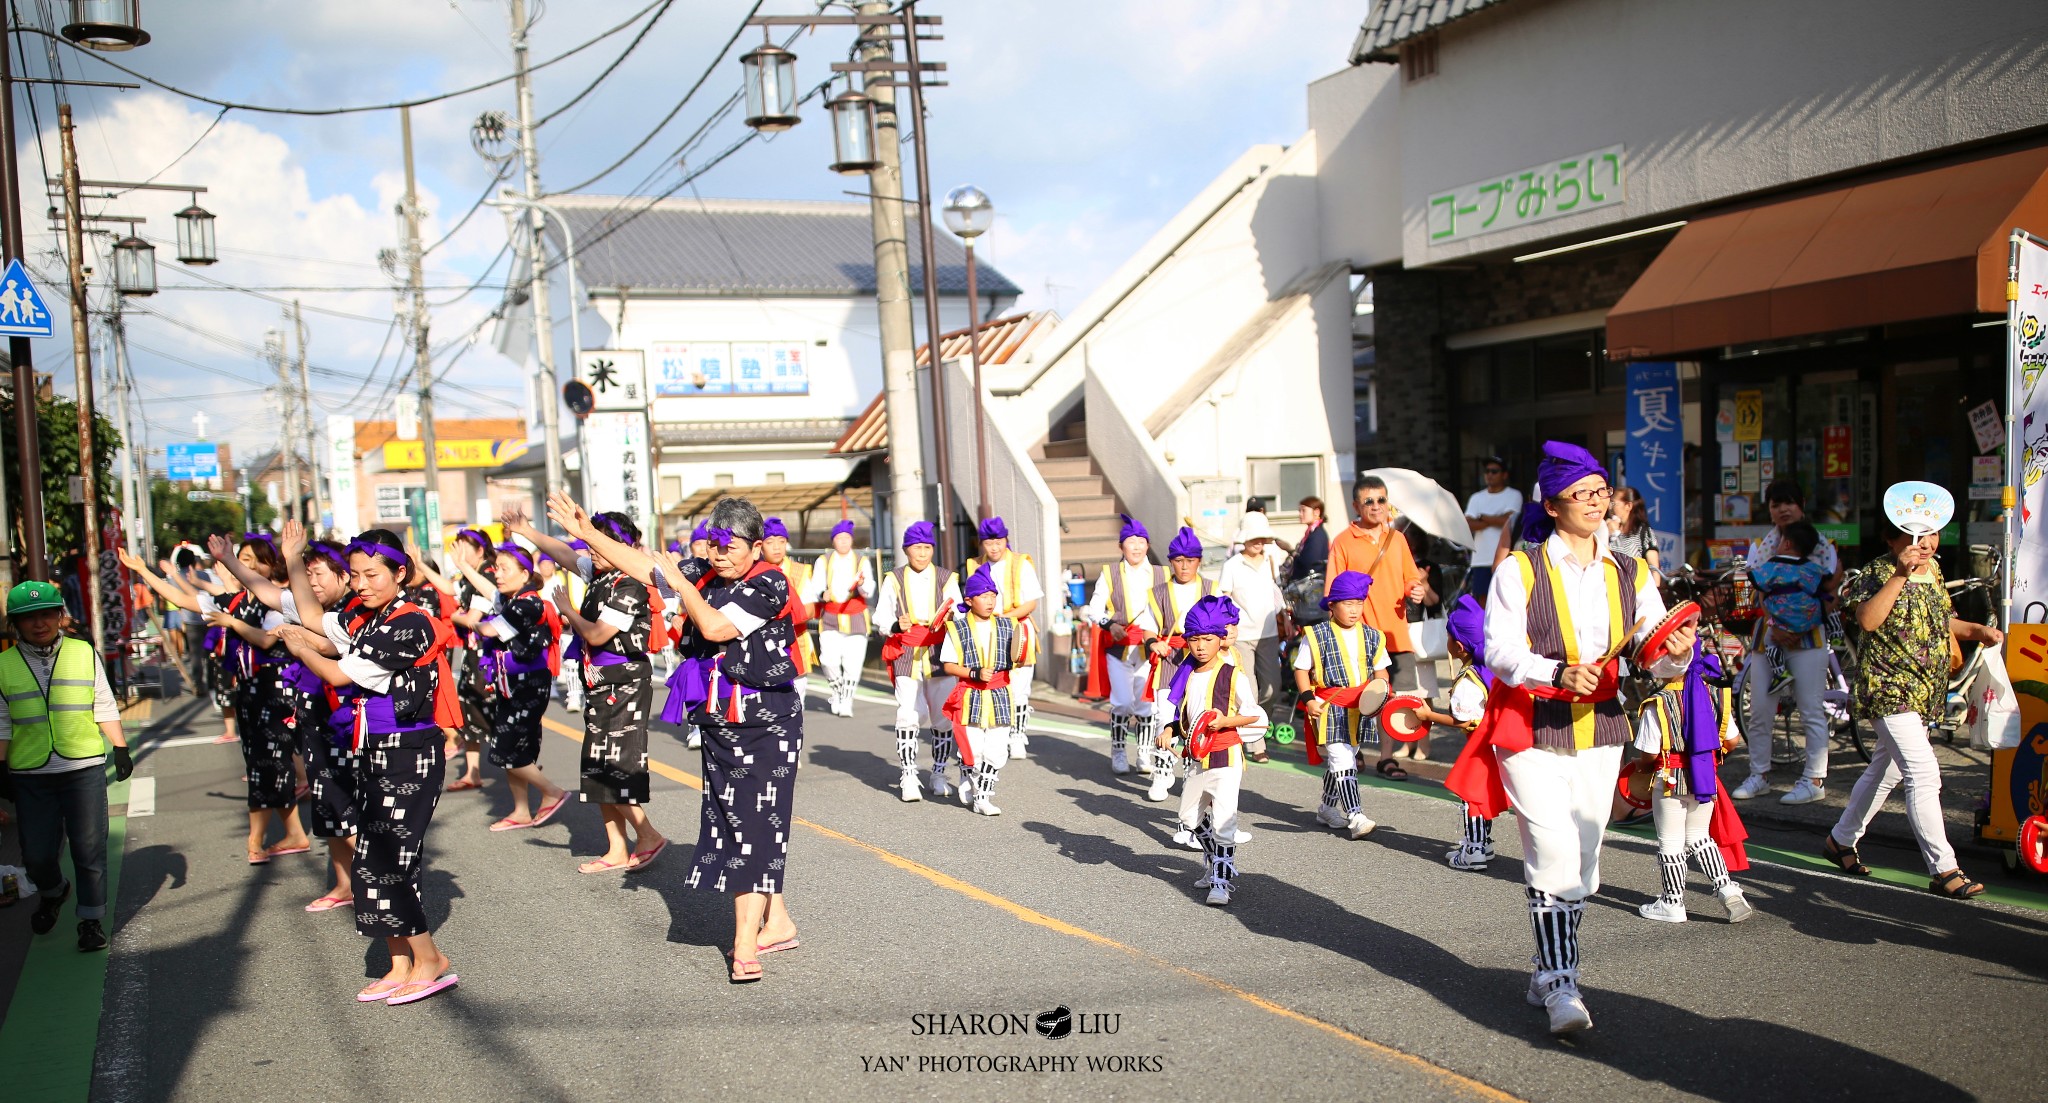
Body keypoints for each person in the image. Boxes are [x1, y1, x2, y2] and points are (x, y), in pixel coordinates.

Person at [1445, 440, 1693, 1035]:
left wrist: (1674, 658)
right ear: (1553, 505)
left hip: (1602, 726)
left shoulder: (1633, 572)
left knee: (1585, 859)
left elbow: (1651, 650)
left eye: (1601, 491)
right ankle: (1562, 983)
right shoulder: (1520, 567)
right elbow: (1499, 649)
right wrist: (1554, 671)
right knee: (1552, 850)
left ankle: (1546, 966)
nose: (1595, 501)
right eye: (1581, 493)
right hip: (1527, 725)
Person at [580, 495, 805, 982]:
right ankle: (779, 919)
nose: (720, 554)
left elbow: (715, 626)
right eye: (715, 545)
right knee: (739, 819)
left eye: (731, 546)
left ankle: (745, 942)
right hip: (720, 720)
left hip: (766, 723)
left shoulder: (769, 582)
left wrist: (683, 584)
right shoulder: (703, 571)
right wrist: (586, 532)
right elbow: (640, 565)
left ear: (758, 546)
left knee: (753, 822)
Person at [274, 530, 460, 1005]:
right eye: (354, 574)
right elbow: (314, 616)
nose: (360, 583)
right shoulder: (367, 618)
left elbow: (335, 672)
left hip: (409, 751)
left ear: (400, 573)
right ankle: (402, 963)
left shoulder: (411, 623)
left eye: (371, 574)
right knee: (376, 861)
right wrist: (294, 559)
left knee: (385, 860)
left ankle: (431, 959)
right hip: (376, 749)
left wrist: (300, 648)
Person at [1822, 513, 2000, 900]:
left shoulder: (1934, 570)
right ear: (1891, 539)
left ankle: (1840, 840)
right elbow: (1867, 620)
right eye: (1915, 535)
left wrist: (1978, 631)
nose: (1926, 542)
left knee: (1884, 772)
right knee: (1924, 773)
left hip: (1924, 692)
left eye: (1931, 533)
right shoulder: (1876, 571)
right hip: (1889, 689)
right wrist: (1899, 574)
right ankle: (1944, 868)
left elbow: (1943, 621)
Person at [506, 506, 669, 874]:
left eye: (599, 541)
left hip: (624, 683)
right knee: (595, 765)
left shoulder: (629, 583)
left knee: (615, 765)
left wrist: (568, 610)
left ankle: (648, 835)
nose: (590, 548)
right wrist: (526, 530)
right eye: (589, 540)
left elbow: (596, 634)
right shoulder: (598, 574)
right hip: (599, 681)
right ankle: (615, 847)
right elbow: (562, 553)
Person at [0, 580, 134, 952]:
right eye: (29, 618)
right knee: (36, 855)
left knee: (89, 849)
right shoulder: (3, 665)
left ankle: (90, 921)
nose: (39, 623)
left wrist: (120, 748)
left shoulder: (82, 652)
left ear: (60, 616)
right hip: (30, 773)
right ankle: (55, 891)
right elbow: (1, 720)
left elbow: (103, 703)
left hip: (83, 767)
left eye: (47, 614)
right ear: (15, 623)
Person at [1631, 640, 1754, 924]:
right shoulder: (1714, 695)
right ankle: (1726, 888)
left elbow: (1649, 753)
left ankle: (1673, 902)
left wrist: (1641, 766)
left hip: (1670, 779)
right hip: (1704, 776)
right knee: (1700, 836)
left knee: (1671, 840)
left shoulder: (1657, 703)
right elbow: (1733, 739)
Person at [1158, 595, 1267, 907]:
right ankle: (1212, 857)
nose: (1200, 646)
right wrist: (1168, 729)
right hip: (1195, 757)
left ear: (1221, 638)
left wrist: (1225, 721)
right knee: (1188, 816)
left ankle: (1222, 877)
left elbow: (1254, 715)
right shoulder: (1188, 673)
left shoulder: (1233, 673)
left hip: (1225, 755)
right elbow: (1179, 710)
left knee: (1223, 820)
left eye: (1207, 639)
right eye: (1194, 639)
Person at [1326, 478, 1436, 781]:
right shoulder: (1343, 541)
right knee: (1358, 695)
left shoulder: (1397, 539)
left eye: (1381, 500)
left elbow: (1411, 578)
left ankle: (1386, 758)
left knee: (1392, 696)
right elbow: (1332, 591)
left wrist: (1415, 589)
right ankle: (1355, 748)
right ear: (1356, 506)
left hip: (1394, 631)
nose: (1376, 506)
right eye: (1369, 501)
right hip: (1357, 632)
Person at [458, 543, 572, 833]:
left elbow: (488, 629)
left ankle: (552, 791)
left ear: (524, 574)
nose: (497, 574)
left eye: (504, 569)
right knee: (518, 747)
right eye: (496, 568)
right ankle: (521, 810)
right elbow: (489, 591)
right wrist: (465, 568)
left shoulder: (528, 603)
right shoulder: (514, 598)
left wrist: (458, 619)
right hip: (514, 684)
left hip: (528, 684)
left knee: (506, 747)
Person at [1733, 520, 1832, 805]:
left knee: (1811, 709)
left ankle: (1814, 779)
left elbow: (1830, 595)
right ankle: (1759, 775)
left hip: (1809, 640)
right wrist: (1777, 625)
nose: (1780, 510)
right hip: (1769, 638)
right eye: (1775, 504)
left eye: (1785, 503)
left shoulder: (1817, 547)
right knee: (1760, 711)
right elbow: (1762, 594)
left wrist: (1793, 626)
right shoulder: (1773, 547)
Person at [1294, 570, 1392, 839]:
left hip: (1361, 707)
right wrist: (1308, 699)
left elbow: (1381, 673)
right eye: (1348, 603)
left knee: (1342, 760)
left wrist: (1380, 696)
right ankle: (1356, 815)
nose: (1354, 610)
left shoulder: (1374, 636)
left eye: (1359, 603)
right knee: (1343, 759)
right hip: (1329, 706)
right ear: (1332, 605)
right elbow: (1301, 670)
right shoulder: (1315, 635)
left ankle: (1326, 807)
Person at [873, 522, 961, 803]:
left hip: (939, 651)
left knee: (942, 717)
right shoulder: (893, 579)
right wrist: (895, 625)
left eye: (927, 548)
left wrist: (952, 619)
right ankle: (908, 775)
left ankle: (938, 772)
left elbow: (960, 615)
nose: (922, 554)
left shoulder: (947, 578)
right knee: (908, 714)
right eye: (916, 548)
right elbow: (879, 617)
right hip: (906, 651)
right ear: (906, 550)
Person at [1415, 595, 1496, 871]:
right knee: (1483, 793)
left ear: (1458, 646)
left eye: (1448, 637)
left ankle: (1474, 850)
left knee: (1470, 794)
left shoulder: (1469, 679)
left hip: (1479, 745)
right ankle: (1483, 842)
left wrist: (1428, 715)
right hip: (1495, 744)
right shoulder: (1491, 669)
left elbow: (1462, 720)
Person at [939, 564, 1026, 816]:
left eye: (993, 596)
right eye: (984, 597)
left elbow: (1018, 655)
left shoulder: (1008, 626)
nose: (990, 602)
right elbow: (948, 665)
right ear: (969, 599)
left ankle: (983, 797)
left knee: (997, 750)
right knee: (974, 751)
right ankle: (967, 770)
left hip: (1000, 693)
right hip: (970, 694)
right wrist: (974, 673)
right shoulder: (958, 628)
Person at [1084, 516, 1165, 776]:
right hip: (1119, 647)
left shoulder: (1161, 572)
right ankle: (1118, 750)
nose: (1137, 546)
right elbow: (1094, 609)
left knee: (1145, 704)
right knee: (1121, 702)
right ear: (1122, 546)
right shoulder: (1110, 573)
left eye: (1141, 541)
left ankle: (1143, 752)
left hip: (1149, 648)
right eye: (1131, 541)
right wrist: (1110, 625)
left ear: (1148, 545)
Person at [963, 517, 1043, 759]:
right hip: (985, 631)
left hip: (1018, 628)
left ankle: (1017, 735)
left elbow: (1031, 602)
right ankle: (996, 732)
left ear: (1006, 540)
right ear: (982, 544)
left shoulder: (1021, 563)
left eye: (998, 542)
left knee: (1019, 688)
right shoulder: (974, 565)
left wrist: (1006, 619)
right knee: (993, 684)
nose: (994, 547)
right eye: (989, 543)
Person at [802, 520, 875, 718]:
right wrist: (821, 593)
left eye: (847, 538)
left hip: (855, 615)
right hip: (831, 615)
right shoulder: (823, 560)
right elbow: (815, 586)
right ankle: (837, 691)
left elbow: (869, 590)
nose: (843, 542)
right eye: (839, 538)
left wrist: (861, 584)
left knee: (853, 663)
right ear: (833, 541)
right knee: (828, 660)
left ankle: (847, 701)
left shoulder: (861, 560)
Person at [1217, 511, 1284, 708]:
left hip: (1269, 633)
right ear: (1244, 539)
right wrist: (1227, 627)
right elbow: (1225, 599)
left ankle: (1256, 724)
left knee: (1273, 689)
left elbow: (1277, 593)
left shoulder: (1271, 561)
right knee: (1249, 692)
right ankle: (1253, 732)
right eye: (1254, 537)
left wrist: (1285, 619)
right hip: (1242, 637)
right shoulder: (1231, 566)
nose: (1259, 541)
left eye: (1262, 537)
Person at [759, 517, 817, 700]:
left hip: (796, 639)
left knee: (797, 698)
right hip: (763, 644)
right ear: (760, 546)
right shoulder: (754, 571)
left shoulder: (800, 571)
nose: (776, 547)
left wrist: (786, 619)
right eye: (770, 542)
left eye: (781, 542)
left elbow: (810, 609)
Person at [1463, 457, 1523, 598]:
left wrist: (1482, 517)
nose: (1489, 474)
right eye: (1487, 471)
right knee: (1482, 603)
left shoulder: (1513, 495)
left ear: (1505, 475)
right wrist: (1496, 519)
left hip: (1506, 559)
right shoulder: (1476, 498)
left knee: (1506, 599)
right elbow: (1468, 524)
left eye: (1494, 471)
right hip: (1480, 559)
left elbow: (1510, 521)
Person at [1606, 487, 1661, 572]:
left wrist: (1656, 584)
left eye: (1613, 503)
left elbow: (1654, 567)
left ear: (1628, 506)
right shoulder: (1606, 529)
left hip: (1634, 583)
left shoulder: (1643, 532)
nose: (1610, 507)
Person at [1289, 497, 1330, 585]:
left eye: (1303, 510)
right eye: (1299, 511)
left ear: (1316, 512)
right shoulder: (1312, 533)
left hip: (1312, 587)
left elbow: (1310, 562)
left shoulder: (1317, 535)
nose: (1300, 514)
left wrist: (1291, 551)